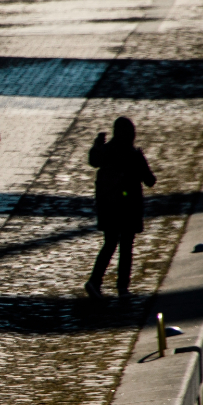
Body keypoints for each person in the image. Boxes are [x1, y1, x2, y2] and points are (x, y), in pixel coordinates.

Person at [84, 117, 157, 300]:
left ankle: (95, 281)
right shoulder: (133, 155)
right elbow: (150, 181)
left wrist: (97, 145)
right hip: (128, 207)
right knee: (126, 247)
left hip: (108, 206)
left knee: (109, 243)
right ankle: (122, 288)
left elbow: (93, 160)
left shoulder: (107, 151)